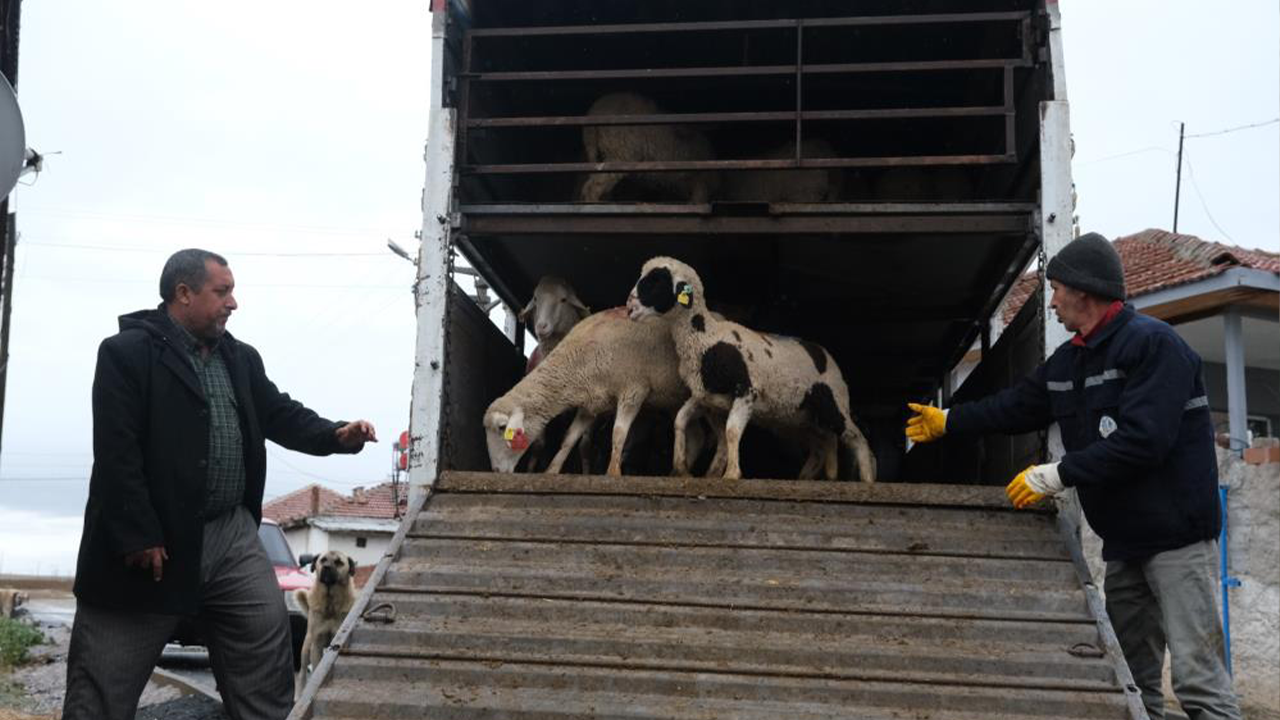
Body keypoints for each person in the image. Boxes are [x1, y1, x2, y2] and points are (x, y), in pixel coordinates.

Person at [906, 232, 1241, 720]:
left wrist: (1057, 474)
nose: (1053, 300)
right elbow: (1019, 405)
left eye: (1057, 288)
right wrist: (950, 421)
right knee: (1130, 679)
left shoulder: (1154, 347)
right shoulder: (1072, 360)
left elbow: (1143, 442)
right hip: (1125, 543)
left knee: (1197, 680)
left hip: (1177, 542)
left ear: (1083, 291)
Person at [63, 249, 378, 720]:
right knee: (105, 680)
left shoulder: (239, 358)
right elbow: (116, 453)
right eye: (222, 291)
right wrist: (138, 533)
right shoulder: (126, 354)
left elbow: (280, 413)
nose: (234, 303)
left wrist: (336, 435)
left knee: (263, 636)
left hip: (230, 533)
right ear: (183, 294)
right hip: (154, 540)